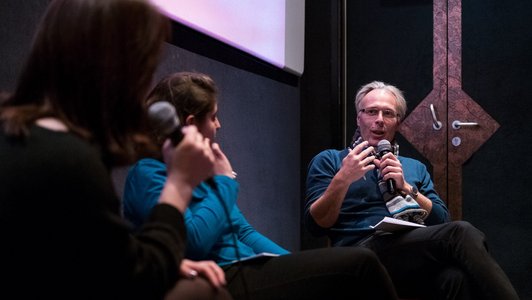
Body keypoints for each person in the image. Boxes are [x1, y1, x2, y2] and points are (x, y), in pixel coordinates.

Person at [0, 1, 231, 299]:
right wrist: (180, 183)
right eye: (144, 68)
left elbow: (90, 254)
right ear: (119, 71)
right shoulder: (70, 160)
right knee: (206, 292)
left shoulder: (27, 135)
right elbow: (133, 280)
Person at [123, 72, 400, 300]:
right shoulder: (149, 173)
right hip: (222, 274)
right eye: (213, 117)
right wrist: (224, 182)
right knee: (360, 264)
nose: (218, 125)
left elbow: (241, 231)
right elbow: (192, 242)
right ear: (191, 124)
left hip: (249, 266)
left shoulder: (200, 173)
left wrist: (293, 264)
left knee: (342, 274)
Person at [304, 80, 520, 300]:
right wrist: (343, 178)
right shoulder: (331, 160)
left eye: (388, 114)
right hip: (359, 252)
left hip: (408, 249)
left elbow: (441, 220)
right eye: (371, 112)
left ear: (398, 122)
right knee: (461, 232)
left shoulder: (414, 167)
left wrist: (408, 188)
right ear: (358, 118)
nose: (379, 120)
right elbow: (316, 225)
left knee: (454, 278)